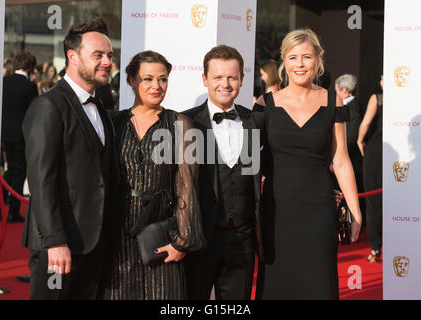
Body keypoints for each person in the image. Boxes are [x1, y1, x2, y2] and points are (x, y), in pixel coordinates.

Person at [254, 28, 362, 299]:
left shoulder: (331, 100)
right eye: (292, 58)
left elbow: (341, 160)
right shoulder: (265, 104)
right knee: (277, 285)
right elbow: (252, 163)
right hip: (276, 211)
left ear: (319, 59)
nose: (299, 64)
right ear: (283, 61)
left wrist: (355, 210)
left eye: (306, 57)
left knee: (319, 285)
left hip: (319, 211)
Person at [21, 17, 119, 300]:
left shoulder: (100, 108)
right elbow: (41, 181)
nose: (106, 62)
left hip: (95, 244)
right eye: (97, 55)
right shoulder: (48, 105)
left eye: (109, 55)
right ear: (72, 57)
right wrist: (55, 242)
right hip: (58, 247)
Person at [102, 50, 205, 300]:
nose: (156, 86)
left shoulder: (181, 124)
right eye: (147, 79)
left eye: (163, 79)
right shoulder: (112, 123)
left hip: (160, 236)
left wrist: (183, 240)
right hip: (117, 235)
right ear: (131, 81)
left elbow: (187, 187)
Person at [182, 45, 267, 300]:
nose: (225, 84)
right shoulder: (186, 122)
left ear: (242, 80)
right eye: (218, 77)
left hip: (242, 239)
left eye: (232, 77)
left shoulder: (257, 121)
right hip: (198, 239)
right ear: (205, 79)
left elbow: (282, 165)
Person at [1, 51, 38, 222]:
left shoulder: (4, 82)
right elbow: (34, 113)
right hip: (22, 135)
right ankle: (13, 211)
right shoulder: (29, 86)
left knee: (11, 169)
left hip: (5, 134)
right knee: (19, 170)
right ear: (30, 67)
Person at [357, 75, 383, 263]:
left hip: (376, 151)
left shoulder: (377, 98)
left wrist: (359, 140)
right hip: (400, 154)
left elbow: (366, 122)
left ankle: (375, 248)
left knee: (374, 202)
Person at [335, 74, 365, 226]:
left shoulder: (352, 109)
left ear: (344, 90)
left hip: (350, 163)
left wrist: (336, 148)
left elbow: (351, 139)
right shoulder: (350, 107)